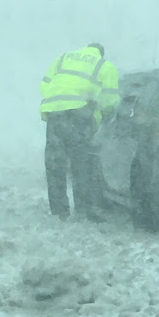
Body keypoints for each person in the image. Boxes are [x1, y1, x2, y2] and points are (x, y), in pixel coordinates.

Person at [39, 43, 119, 220]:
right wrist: (103, 117)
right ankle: (83, 210)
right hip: (80, 116)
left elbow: (45, 84)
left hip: (55, 113)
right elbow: (110, 100)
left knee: (55, 164)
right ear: (101, 53)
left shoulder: (64, 58)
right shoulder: (104, 65)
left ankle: (59, 212)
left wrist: (58, 104)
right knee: (81, 165)